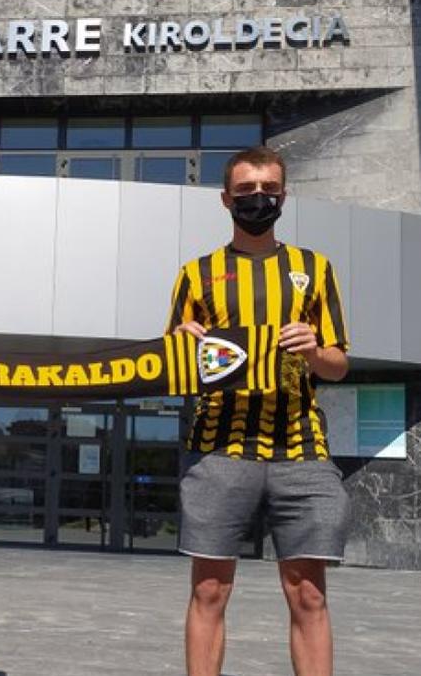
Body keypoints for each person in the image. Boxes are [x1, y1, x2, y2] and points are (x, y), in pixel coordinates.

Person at [166, 146, 350, 676]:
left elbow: (338, 365)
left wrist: (315, 351)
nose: (257, 199)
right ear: (225, 199)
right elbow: (174, 367)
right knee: (208, 590)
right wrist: (181, 343)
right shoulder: (196, 274)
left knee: (309, 595)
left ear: (284, 196)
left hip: (300, 446)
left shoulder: (313, 270)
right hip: (219, 445)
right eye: (245, 191)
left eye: (268, 189)